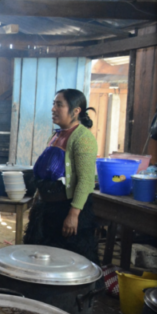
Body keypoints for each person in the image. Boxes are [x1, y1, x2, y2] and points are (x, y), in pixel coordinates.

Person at [24, 89, 99, 265]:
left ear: (76, 111)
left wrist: (73, 214)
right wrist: (37, 202)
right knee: (41, 260)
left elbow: (86, 180)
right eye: (53, 104)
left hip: (66, 209)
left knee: (67, 263)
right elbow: (46, 175)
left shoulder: (83, 138)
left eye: (59, 104)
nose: (53, 108)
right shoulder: (56, 135)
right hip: (47, 209)